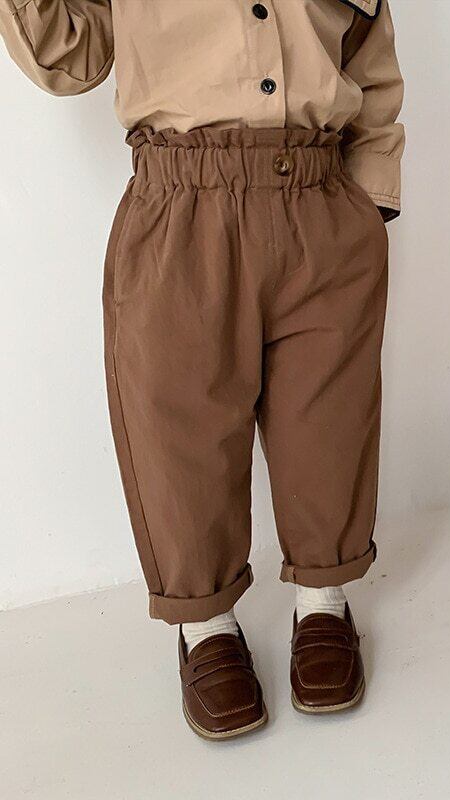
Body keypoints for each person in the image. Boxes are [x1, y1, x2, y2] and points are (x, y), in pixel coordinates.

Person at [0, 0, 404, 739]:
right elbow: (68, 56)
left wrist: (369, 203)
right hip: (180, 200)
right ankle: (205, 624)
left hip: (323, 195)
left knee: (330, 418)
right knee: (180, 425)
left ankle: (324, 600)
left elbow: (371, 58)